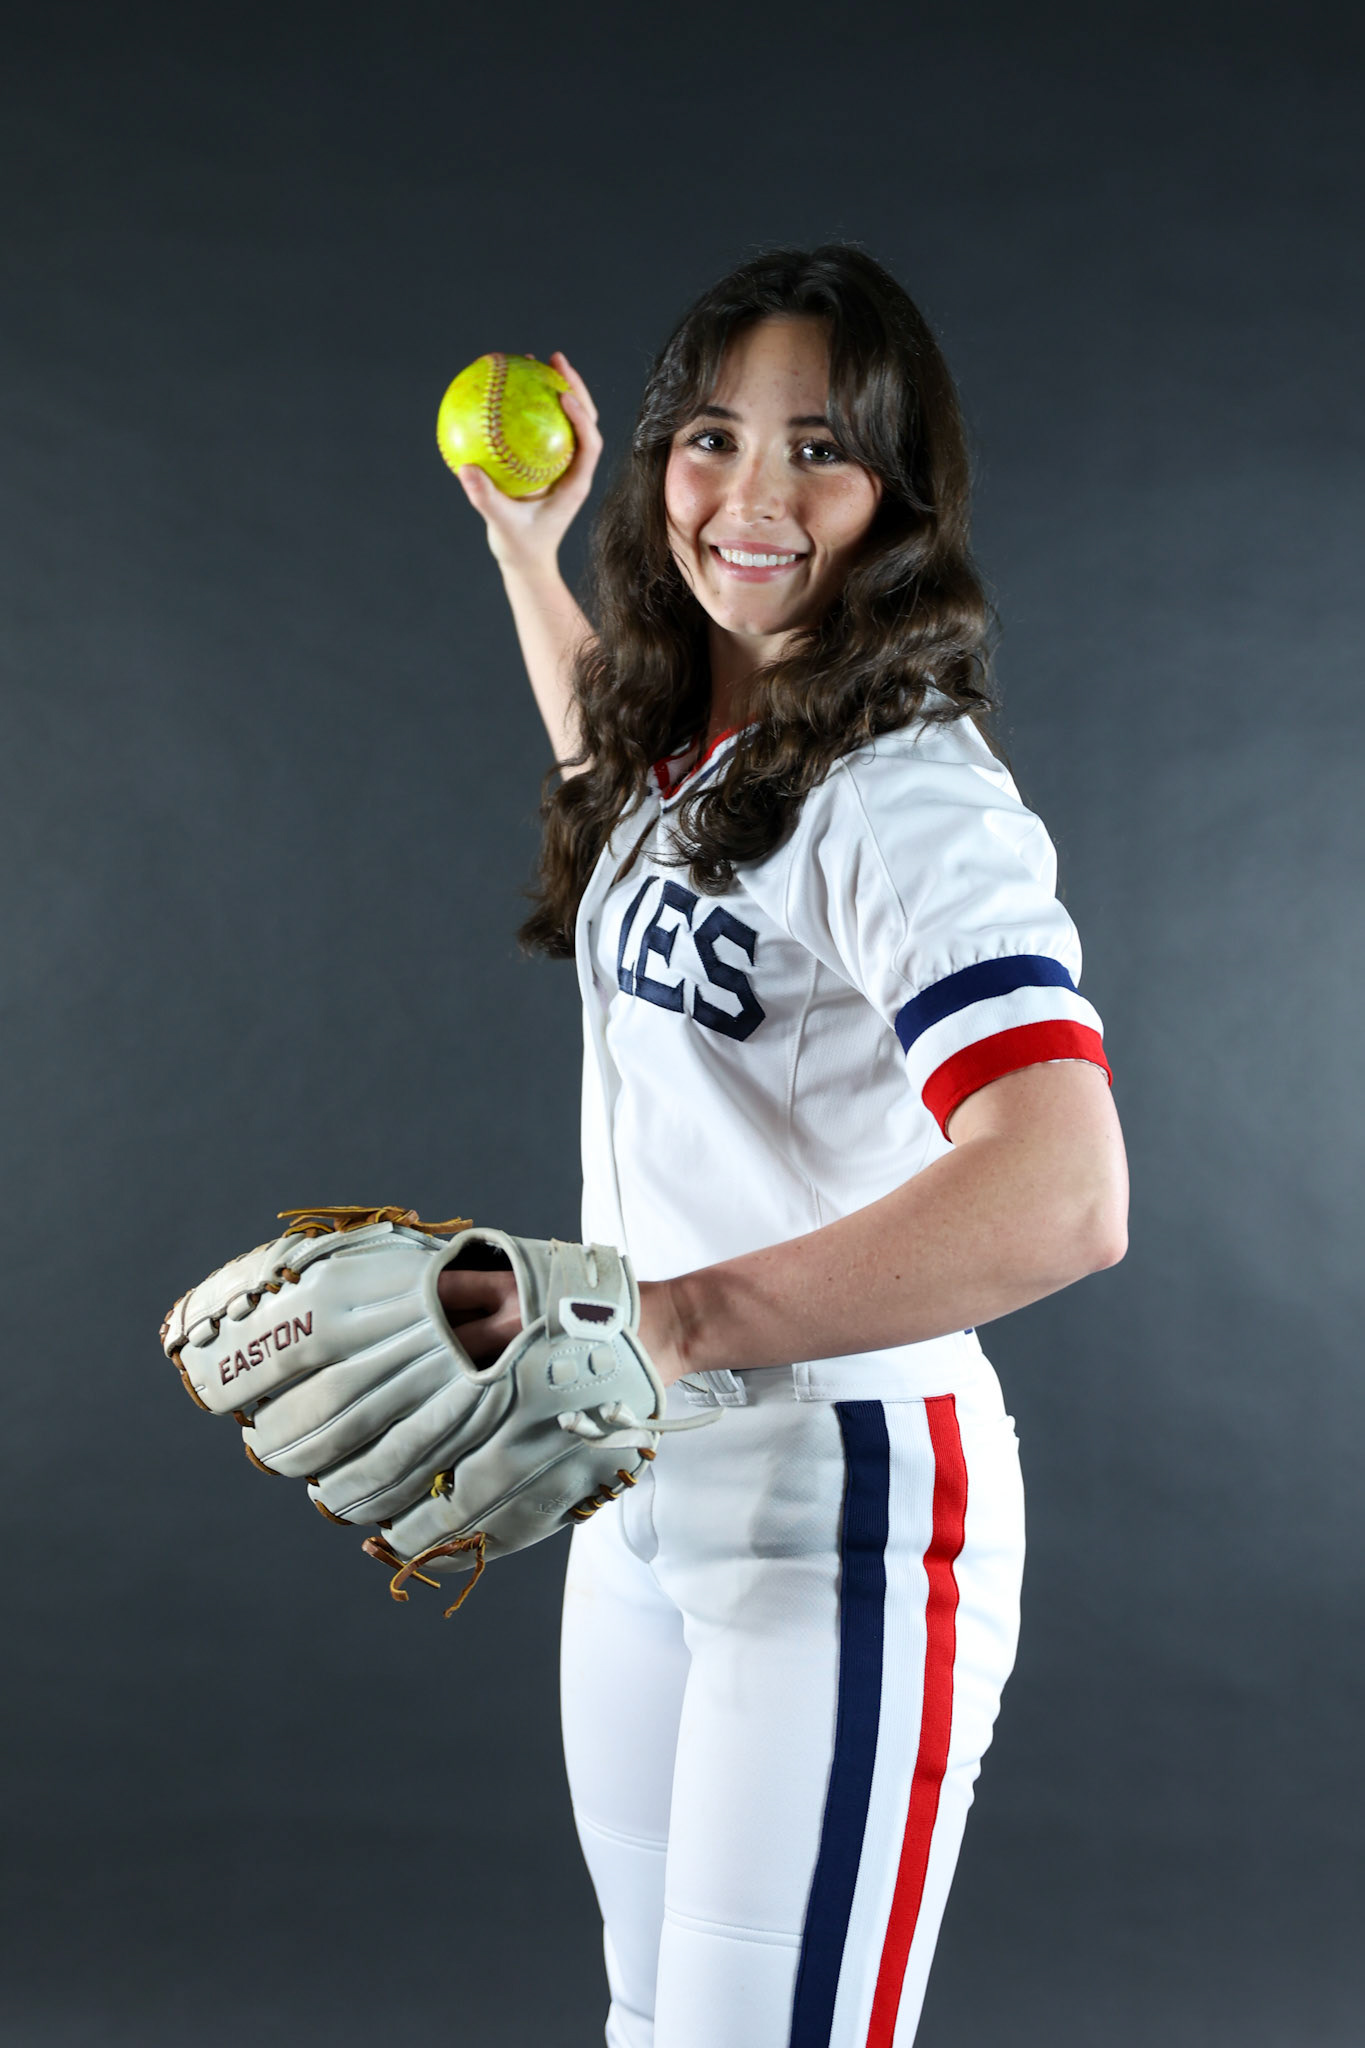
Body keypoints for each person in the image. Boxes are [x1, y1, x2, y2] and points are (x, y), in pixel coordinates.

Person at [441, 246, 1128, 2048]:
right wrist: (528, 546)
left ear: (898, 499)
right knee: (654, 2023)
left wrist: (670, 1322)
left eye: (814, 450)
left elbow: (1062, 1189)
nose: (747, 497)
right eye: (709, 437)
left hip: (845, 1500)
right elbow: (617, 802)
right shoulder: (717, 744)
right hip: (645, 1491)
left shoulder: (908, 791)